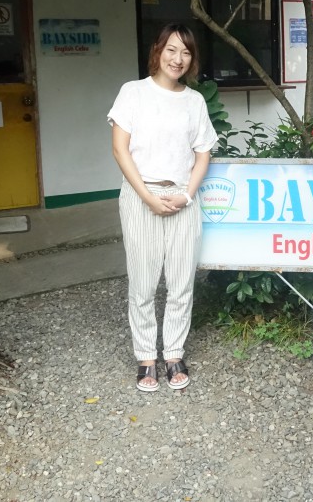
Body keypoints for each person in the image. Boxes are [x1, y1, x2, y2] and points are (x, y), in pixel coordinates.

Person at [107, 24, 217, 391]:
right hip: (142, 197)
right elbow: (120, 149)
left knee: (182, 282)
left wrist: (186, 196)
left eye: (185, 52)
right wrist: (148, 197)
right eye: (171, 49)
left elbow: (203, 155)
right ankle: (145, 357)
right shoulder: (133, 93)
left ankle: (173, 353)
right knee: (143, 282)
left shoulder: (194, 101)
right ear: (158, 50)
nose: (178, 59)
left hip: (183, 197)